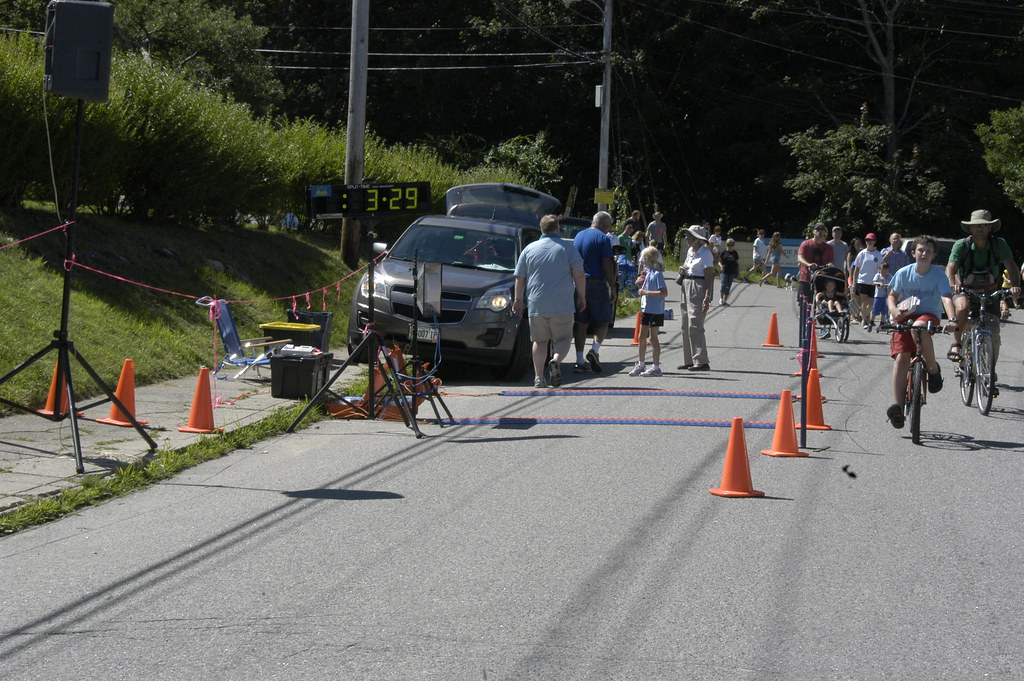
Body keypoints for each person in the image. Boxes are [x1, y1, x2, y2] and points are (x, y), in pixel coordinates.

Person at [944, 210, 1022, 396]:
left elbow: (1011, 266)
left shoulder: (998, 244)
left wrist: (1015, 287)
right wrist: (952, 284)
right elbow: (951, 267)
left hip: (990, 293)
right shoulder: (961, 245)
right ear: (970, 228)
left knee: (993, 335)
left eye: (983, 225)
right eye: (976, 225)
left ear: (989, 227)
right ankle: (956, 344)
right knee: (961, 307)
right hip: (965, 291)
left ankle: (989, 373)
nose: (979, 228)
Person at [885, 235, 958, 429]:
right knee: (901, 358)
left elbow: (946, 297)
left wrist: (951, 319)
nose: (924, 254)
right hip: (905, 316)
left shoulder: (938, 275)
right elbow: (892, 295)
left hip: (927, 316)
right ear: (913, 253)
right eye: (920, 250)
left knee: (919, 327)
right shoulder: (903, 273)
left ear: (934, 255)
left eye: (928, 251)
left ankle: (933, 369)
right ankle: (898, 409)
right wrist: (893, 310)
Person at [512, 215, 587, 389]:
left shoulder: (529, 249)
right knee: (564, 338)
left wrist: (517, 299)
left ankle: (539, 378)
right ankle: (555, 360)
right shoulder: (568, 249)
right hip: (562, 304)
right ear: (558, 228)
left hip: (537, 304)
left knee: (539, 341)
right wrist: (582, 296)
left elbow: (519, 277)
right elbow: (579, 274)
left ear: (542, 229)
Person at [572, 211, 617, 373]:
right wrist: (612, 286)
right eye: (609, 226)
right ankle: (594, 350)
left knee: (581, 323)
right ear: (604, 225)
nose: (609, 229)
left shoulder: (578, 236)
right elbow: (607, 263)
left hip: (578, 284)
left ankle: (579, 360)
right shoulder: (603, 238)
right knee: (604, 321)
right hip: (596, 284)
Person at [676, 225, 715, 371]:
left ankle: (701, 361)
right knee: (685, 323)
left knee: (695, 323)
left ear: (697, 238)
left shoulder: (705, 253)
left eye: (689, 235)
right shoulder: (690, 251)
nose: (686, 237)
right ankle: (689, 360)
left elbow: (709, 275)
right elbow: (687, 266)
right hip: (686, 284)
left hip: (698, 285)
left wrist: (707, 296)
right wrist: (682, 269)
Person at [629, 247, 668, 377]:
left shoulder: (657, 274)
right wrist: (639, 283)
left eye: (643, 258)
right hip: (646, 308)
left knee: (653, 337)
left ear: (647, 258)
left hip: (655, 310)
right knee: (641, 337)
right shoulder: (647, 272)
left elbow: (664, 292)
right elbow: (641, 283)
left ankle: (656, 367)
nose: (642, 260)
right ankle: (641, 364)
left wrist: (646, 292)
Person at [850, 233, 882, 330]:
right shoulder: (862, 253)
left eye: (871, 240)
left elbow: (880, 268)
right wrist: (854, 282)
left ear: (874, 241)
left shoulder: (877, 254)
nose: (870, 242)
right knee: (864, 301)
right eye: (868, 240)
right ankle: (865, 320)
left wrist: (880, 280)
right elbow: (856, 269)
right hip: (862, 281)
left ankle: (864, 314)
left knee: (871, 302)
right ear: (866, 241)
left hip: (873, 282)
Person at [796, 222, 835, 302]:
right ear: (813, 231)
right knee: (805, 303)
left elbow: (830, 261)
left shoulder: (828, 247)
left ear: (825, 232)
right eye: (817, 229)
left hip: (822, 278)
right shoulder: (806, 244)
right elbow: (800, 257)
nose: (819, 231)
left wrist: (830, 264)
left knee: (823, 301)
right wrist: (808, 264)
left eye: (822, 229)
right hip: (806, 277)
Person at [719, 238, 740, 306]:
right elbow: (719, 261)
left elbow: (737, 262)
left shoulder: (735, 253)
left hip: (732, 271)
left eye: (731, 245)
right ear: (726, 245)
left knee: (728, 286)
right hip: (724, 271)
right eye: (728, 245)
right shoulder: (724, 252)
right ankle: (721, 299)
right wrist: (721, 266)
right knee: (724, 284)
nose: (730, 246)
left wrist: (738, 271)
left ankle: (725, 300)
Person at [871, 262, 891, 330]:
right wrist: (879, 283)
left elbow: (893, 282)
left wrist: (890, 286)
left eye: (885, 271)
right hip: (878, 296)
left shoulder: (889, 276)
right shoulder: (878, 275)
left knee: (884, 310)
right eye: (882, 271)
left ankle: (882, 323)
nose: (883, 272)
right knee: (875, 309)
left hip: (885, 296)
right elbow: (874, 282)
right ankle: (871, 321)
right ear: (880, 270)